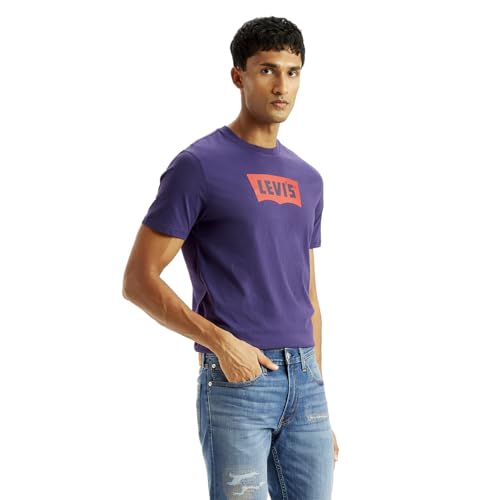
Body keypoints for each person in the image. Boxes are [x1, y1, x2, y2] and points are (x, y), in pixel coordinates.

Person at [123, 15, 339, 499]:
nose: (282, 86)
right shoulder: (198, 166)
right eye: (267, 70)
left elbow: (308, 295)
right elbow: (138, 279)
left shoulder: (309, 179)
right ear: (238, 76)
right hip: (239, 383)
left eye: (293, 72)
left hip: (306, 384)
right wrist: (221, 343)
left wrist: (318, 395)